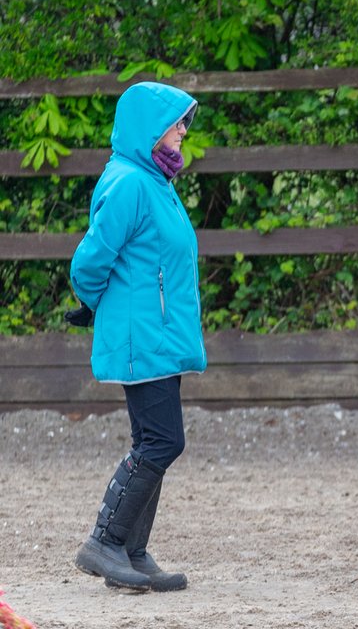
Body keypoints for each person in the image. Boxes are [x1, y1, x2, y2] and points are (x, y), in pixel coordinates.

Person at [68, 81, 206, 592]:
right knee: (163, 440)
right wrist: (94, 304)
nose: (183, 130)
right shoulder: (129, 182)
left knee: (155, 440)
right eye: (176, 122)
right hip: (140, 338)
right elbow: (89, 262)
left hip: (157, 336)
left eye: (185, 121)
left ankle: (130, 551)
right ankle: (104, 542)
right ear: (150, 128)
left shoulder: (155, 181)